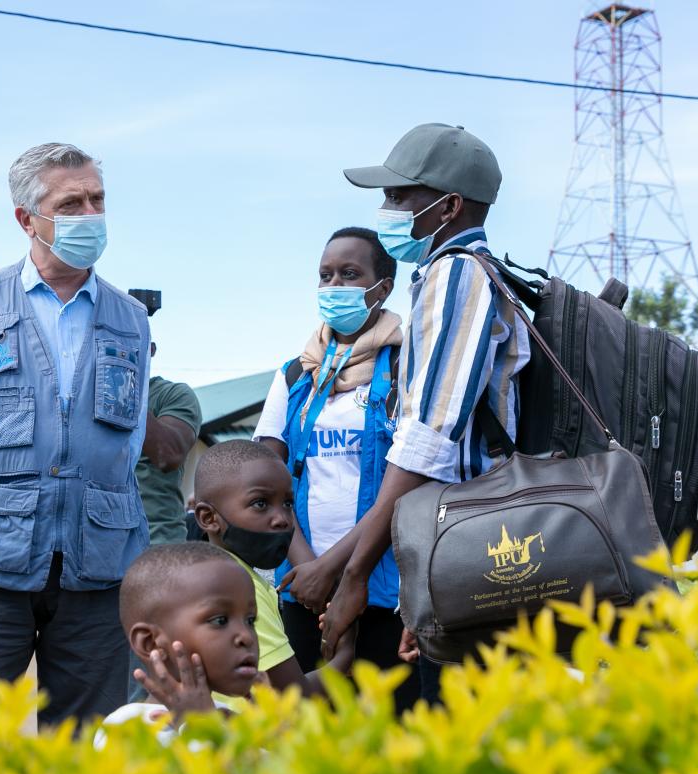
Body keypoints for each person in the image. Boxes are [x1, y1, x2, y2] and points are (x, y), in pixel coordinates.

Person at [0, 142, 151, 728]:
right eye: (72, 203)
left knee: (88, 744)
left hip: (97, 565)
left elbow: (129, 444)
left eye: (97, 199)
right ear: (27, 219)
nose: (91, 214)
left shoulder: (130, 318)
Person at [318, 124, 529, 706]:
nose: (386, 210)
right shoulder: (461, 274)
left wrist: (355, 574)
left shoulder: (456, 273)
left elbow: (429, 441)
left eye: (399, 197)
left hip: (480, 546)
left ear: (449, 206)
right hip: (466, 550)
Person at [253, 227, 421, 710]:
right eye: (326, 276)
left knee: (389, 729)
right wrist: (311, 571)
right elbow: (265, 479)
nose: (334, 286)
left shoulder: (410, 369)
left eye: (350, 274)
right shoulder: (295, 375)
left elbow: (412, 480)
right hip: (302, 588)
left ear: (382, 287)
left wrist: (339, 570)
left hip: (389, 591)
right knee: (307, 727)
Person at [191, 440, 356, 700]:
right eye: (260, 503)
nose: (281, 519)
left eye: (288, 504)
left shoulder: (201, 574)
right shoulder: (238, 589)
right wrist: (345, 653)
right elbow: (292, 697)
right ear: (208, 518)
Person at [97, 541, 259, 746]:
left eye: (250, 620)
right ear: (151, 643)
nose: (246, 636)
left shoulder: (230, 717)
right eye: (220, 621)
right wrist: (201, 728)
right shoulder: (127, 730)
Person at [135, 339, 201, 545]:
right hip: (91, 550)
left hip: (157, 544)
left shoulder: (173, 395)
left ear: (150, 349)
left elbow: (167, 455)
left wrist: (122, 386)